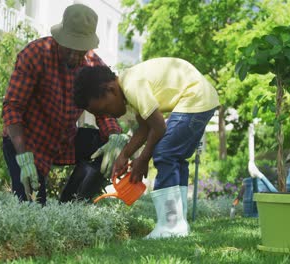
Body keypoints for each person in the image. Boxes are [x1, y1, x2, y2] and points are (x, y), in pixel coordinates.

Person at [74, 58, 220, 238]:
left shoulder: (132, 86)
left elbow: (159, 126)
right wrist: (124, 155)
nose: (108, 115)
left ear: (111, 89)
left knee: (164, 153)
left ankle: (170, 226)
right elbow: (145, 128)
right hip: (202, 97)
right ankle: (178, 224)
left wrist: (143, 159)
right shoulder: (128, 87)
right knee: (173, 157)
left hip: (195, 98)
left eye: (105, 109)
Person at [2, 4, 121, 206]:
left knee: (107, 147)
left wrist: (114, 136)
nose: (75, 56)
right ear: (60, 38)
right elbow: (13, 108)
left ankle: (69, 207)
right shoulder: (36, 54)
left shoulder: (93, 66)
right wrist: (23, 157)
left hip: (65, 139)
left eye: (80, 50)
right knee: (31, 211)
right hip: (27, 143)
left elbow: (104, 111)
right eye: (70, 48)